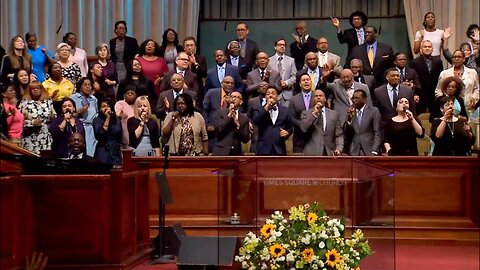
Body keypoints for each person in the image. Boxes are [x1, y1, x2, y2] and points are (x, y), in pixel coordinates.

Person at [435, 49, 479, 116]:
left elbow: (477, 88)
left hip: (468, 106)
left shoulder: (472, 72)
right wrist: (444, 101)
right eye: (454, 57)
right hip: (450, 108)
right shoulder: (444, 73)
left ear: (464, 59)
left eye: (459, 57)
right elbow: (438, 90)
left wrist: (474, 98)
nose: (456, 59)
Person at [299, 89, 343, 156]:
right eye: (316, 96)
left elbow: (339, 134)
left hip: (330, 153)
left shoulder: (334, 114)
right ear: (313, 99)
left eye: (321, 96)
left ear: (325, 99)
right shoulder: (306, 113)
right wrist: (314, 114)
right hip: (312, 153)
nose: (318, 97)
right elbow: (303, 128)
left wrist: (339, 148)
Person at [252, 85, 292, 155]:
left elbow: (290, 127)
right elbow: (255, 121)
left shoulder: (285, 110)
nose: (270, 95)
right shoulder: (259, 109)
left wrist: (287, 133)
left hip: (280, 149)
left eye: (273, 93)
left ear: (277, 97)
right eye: (268, 94)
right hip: (263, 149)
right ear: (265, 97)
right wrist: (266, 107)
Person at [19, 82, 56, 154]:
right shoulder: (24, 103)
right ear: (29, 90)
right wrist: (32, 122)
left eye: (37, 88)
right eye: (33, 88)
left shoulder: (48, 101)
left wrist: (52, 117)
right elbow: (19, 121)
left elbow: (55, 116)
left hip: (45, 136)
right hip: (30, 136)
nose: (35, 90)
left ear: (41, 89)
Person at [409, 40, 443, 114]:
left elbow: (441, 78)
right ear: (421, 49)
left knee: (435, 115)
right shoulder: (414, 62)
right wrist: (414, 94)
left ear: (432, 49)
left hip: (434, 94)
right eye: (425, 47)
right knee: (420, 116)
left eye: (429, 47)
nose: (427, 48)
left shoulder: (438, 61)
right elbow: (413, 79)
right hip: (420, 93)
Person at [343, 89, 381, 156]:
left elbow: (377, 133)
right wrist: (349, 120)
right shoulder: (351, 112)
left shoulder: (374, 111)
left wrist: (374, 151)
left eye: (357, 98)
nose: (354, 100)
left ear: (364, 99)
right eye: (353, 98)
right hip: (354, 151)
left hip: (369, 150)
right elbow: (347, 134)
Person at [203, 76, 236, 151]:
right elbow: (205, 110)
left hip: (227, 131)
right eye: (227, 82)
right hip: (213, 131)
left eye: (232, 83)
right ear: (222, 84)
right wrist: (207, 125)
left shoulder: (235, 96)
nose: (230, 85)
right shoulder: (212, 93)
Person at [212, 91, 250, 156]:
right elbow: (218, 130)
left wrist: (238, 126)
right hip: (221, 152)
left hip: (236, 152)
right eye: (231, 97)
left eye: (236, 97)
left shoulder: (244, 118)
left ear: (241, 102)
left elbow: (245, 139)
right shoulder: (219, 113)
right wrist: (229, 116)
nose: (233, 99)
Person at [70, 77, 98, 157]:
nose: (88, 87)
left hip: (91, 129)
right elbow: (69, 114)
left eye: (89, 85)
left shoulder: (94, 99)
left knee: (90, 151)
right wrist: (79, 112)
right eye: (85, 85)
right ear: (80, 86)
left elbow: (96, 113)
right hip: (78, 127)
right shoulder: (73, 97)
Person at [288, 74, 316, 153]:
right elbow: (291, 118)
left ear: (311, 82)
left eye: (308, 79)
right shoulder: (293, 99)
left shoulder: (317, 97)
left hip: (315, 138)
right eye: (303, 80)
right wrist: (302, 125)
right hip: (299, 139)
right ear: (300, 84)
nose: (306, 81)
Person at [93, 98, 123, 166]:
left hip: (116, 151)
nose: (106, 108)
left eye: (108, 106)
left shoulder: (117, 119)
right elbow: (101, 135)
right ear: (100, 109)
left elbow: (119, 133)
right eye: (103, 106)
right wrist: (107, 118)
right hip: (103, 149)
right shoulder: (97, 120)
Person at [268, 38, 297, 108]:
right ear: (275, 47)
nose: (282, 46)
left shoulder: (291, 60)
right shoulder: (269, 61)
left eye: (283, 45)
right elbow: (268, 77)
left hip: (287, 95)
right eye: (279, 45)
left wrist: (286, 83)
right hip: (274, 94)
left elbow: (295, 76)